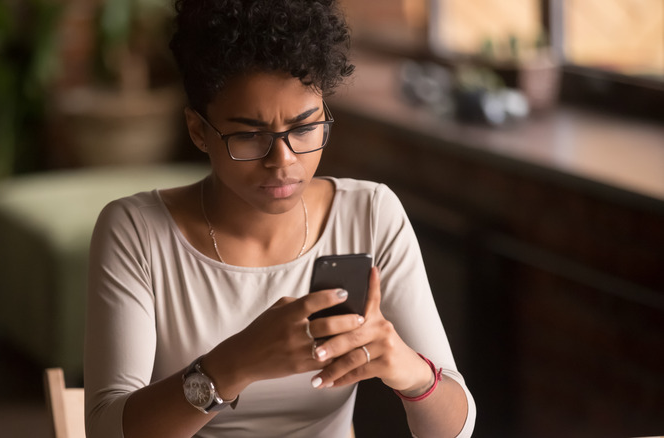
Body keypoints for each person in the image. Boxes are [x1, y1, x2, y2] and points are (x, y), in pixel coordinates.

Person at [84, 0, 476, 437]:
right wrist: (235, 363)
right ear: (198, 131)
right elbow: (105, 430)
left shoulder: (370, 215)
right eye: (251, 135)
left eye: (305, 128)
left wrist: (411, 374)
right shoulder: (136, 232)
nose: (283, 161)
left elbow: (454, 429)